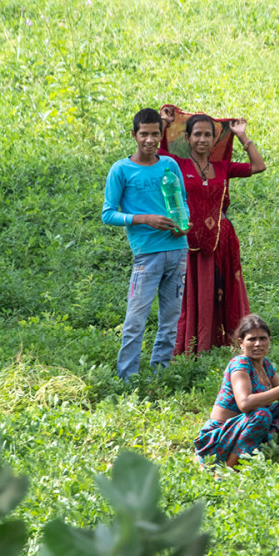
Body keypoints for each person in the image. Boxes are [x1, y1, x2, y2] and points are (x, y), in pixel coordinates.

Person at [158, 106, 266, 355]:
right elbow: (155, 153)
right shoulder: (177, 164)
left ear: (214, 139)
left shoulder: (223, 167)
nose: (202, 140)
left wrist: (241, 135)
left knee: (221, 290)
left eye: (208, 135)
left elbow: (258, 166)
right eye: (197, 134)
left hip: (221, 239)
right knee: (192, 294)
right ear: (187, 138)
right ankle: (192, 346)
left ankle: (220, 344)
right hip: (188, 240)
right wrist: (164, 123)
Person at [101, 108, 190, 380]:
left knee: (170, 320)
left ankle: (160, 375)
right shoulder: (121, 170)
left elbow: (182, 201)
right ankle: (126, 378)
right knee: (135, 320)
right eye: (144, 134)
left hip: (177, 250)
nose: (149, 140)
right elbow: (108, 214)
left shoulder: (169, 165)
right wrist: (144, 219)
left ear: (161, 135)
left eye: (155, 134)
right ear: (134, 135)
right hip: (146, 256)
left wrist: (182, 224)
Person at [194, 314, 279, 468]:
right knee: (261, 415)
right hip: (221, 433)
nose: (258, 344)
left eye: (263, 339)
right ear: (241, 342)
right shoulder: (240, 364)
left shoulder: (265, 365)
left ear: (269, 341)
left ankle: (259, 456)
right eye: (252, 339)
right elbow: (245, 404)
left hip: (247, 426)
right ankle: (229, 468)